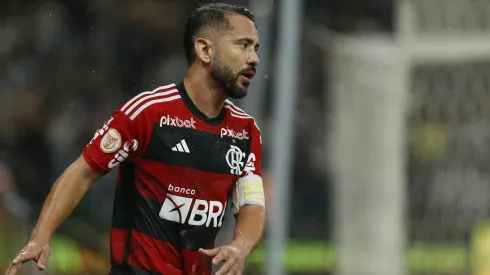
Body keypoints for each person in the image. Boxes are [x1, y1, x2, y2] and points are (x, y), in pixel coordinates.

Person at [6, 3, 266, 275]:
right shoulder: (148, 112)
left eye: (255, 48)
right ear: (204, 50)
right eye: (243, 45)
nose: (254, 59)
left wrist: (240, 246)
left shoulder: (246, 131)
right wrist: (41, 235)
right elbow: (83, 171)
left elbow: (251, 204)